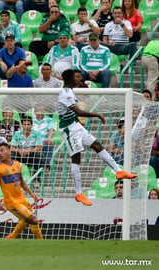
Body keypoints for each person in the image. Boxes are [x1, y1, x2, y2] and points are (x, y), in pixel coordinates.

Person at [57, 69, 137, 206]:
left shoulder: (71, 91)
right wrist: (96, 115)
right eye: (77, 76)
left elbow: (73, 113)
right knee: (76, 158)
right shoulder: (65, 93)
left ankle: (119, 171)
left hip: (75, 126)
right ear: (71, 78)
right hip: (68, 130)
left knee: (97, 145)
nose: (79, 78)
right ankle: (79, 193)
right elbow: (78, 111)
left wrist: (80, 126)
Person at [0, 143, 43, 239]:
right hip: (12, 202)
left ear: (9, 150)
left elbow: (22, 182)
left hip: (22, 199)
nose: (0, 153)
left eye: (2, 150)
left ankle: (12, 237)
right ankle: (41, 240)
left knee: (29, 221)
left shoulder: (17, 164)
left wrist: (31, 193)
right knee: (33, 220)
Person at [33, 105, 55, 170]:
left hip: (45, 141)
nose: (39, 112)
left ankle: (45, 163)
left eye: (41, 110)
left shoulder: (49, 120)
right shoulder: (31, 120)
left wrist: (49, 137)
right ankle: (43, 165)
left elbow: (51, 129)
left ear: (44, 112)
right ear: (34, 112)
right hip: (33, 142)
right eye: (38, 111)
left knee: (49, 144)